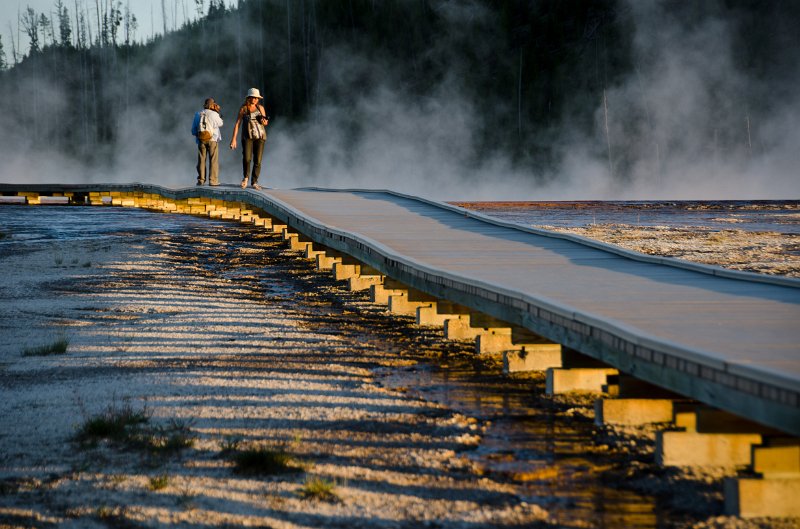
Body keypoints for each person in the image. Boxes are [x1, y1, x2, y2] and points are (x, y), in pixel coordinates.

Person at [229, 88, 269, 190]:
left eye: (257, 98)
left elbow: (265, 123)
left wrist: (264, 121)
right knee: (247, 158)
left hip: (260, 137)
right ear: (249, 98)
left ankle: (254, 181)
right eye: (254, 98)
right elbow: (238, 124)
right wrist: (234, 139)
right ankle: (245, 177)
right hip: (247, 137)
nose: (255, 100)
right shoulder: (243, 109)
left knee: (258, 160)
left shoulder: (260, 108)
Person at [191, 98, 224, 186]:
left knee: (201, 160)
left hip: (201, 140)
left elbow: (193, 130)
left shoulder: (198, 114)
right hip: (213, 140)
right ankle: (213, 181)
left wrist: (200, 135)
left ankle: (201, 180)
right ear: (212, 105)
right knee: (213, 160)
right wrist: (217, 111)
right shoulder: (214, 114)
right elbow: (221, 123)